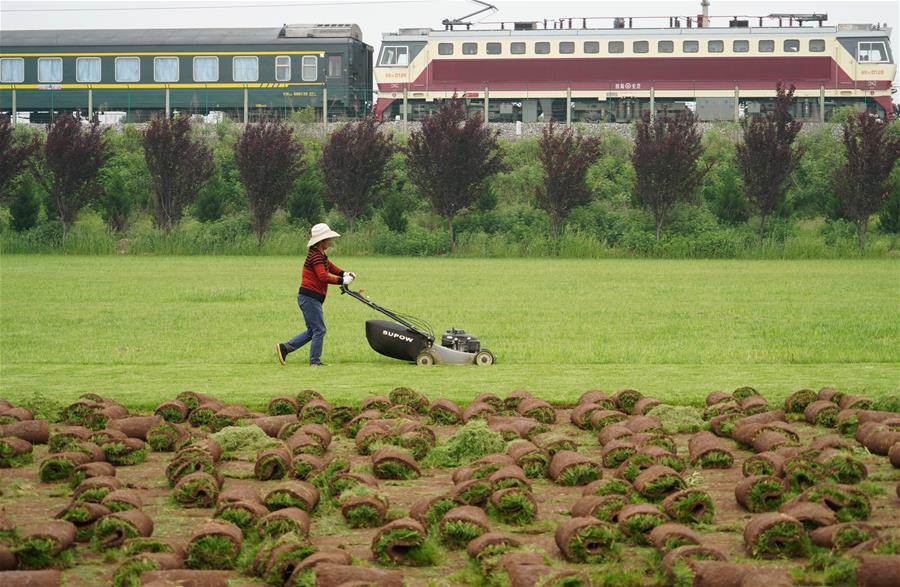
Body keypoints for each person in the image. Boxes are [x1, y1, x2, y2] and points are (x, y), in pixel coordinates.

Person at [276, 223, 355, 366]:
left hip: (310, 298)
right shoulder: (316, 257)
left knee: (313, 330)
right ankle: (315, 362)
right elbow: (323, 277)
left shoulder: (320, 255)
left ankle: (285, 348)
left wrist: (344, 273)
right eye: (328, 239)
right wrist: (342, 280)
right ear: (321, 241)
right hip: (309, 298)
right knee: (319, 330)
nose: (331, 241)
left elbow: (330, 266)